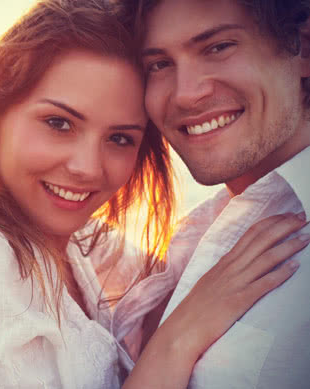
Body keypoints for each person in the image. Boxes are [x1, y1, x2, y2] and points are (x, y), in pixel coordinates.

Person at [0, 0, 308, 388]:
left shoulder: (85, 251)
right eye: (58, 123)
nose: (86, 167)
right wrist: (180, 337)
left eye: (119, 138)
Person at [114, 0, 310, 387]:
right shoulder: (200, 232)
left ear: (303, 49)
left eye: (218, 47)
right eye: (159, 64)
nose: (187, 94)